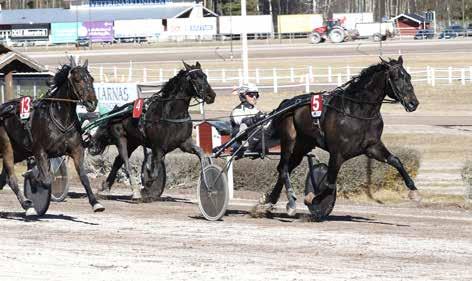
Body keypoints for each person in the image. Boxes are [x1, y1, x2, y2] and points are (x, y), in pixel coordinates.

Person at [229, 83, 277, 156]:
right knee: (244, 126)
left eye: (256, 95)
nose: (254, 97)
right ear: (243, 96)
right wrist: (256, 119)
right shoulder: (237, 111)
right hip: (241, 142)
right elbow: (243, 122)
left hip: (259, 139)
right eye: (251, 94)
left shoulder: (255, 110)